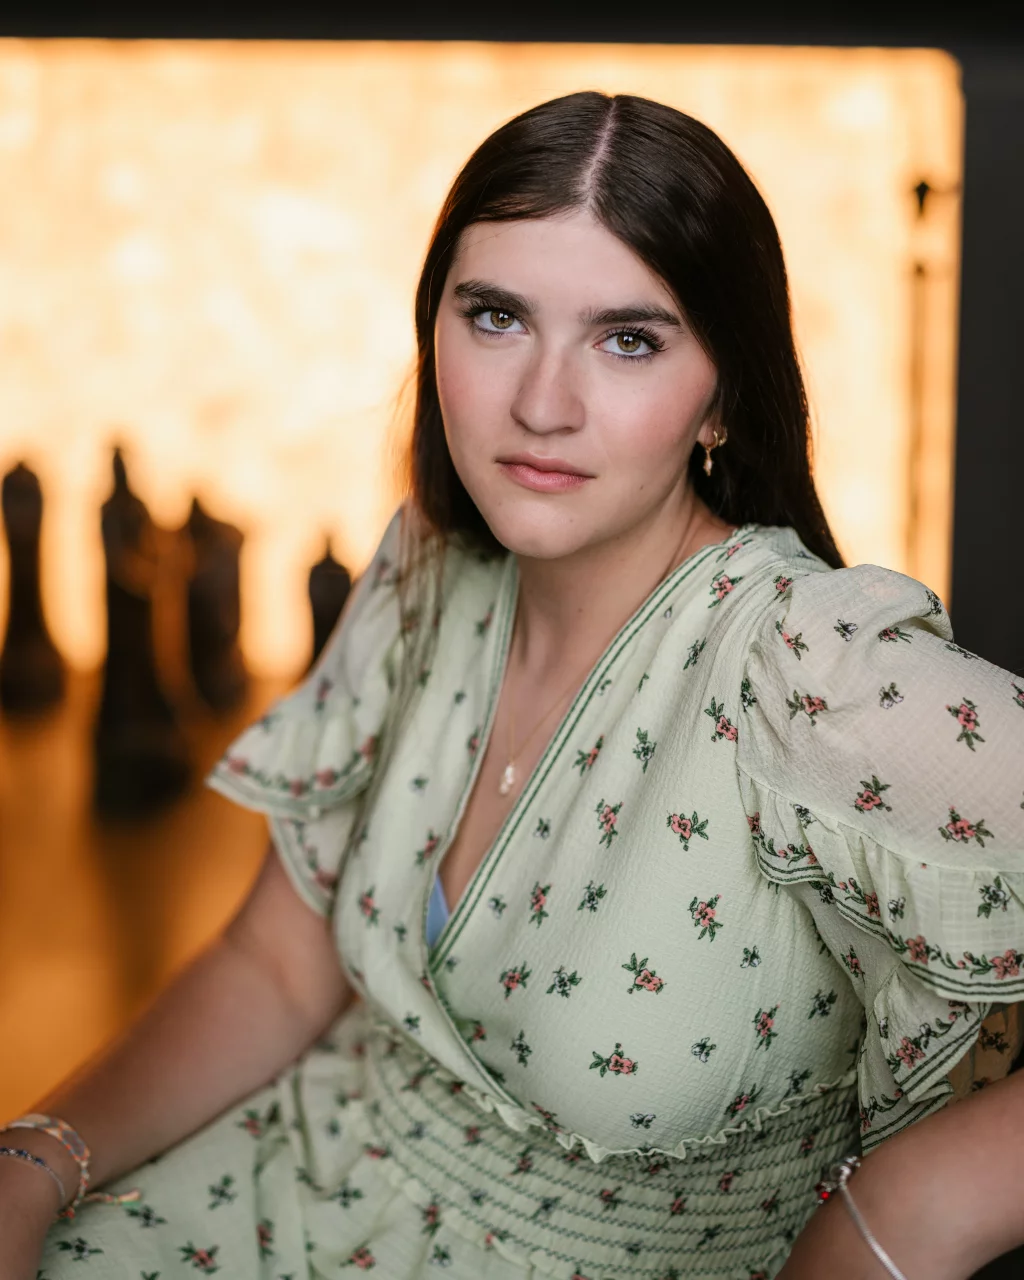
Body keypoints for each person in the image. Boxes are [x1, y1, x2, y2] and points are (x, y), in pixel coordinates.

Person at [2, 91, 1023, 1280]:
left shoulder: (811, 674)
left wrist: (921, 1201)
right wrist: (33, 1160)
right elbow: (277, 963)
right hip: (295, 1179)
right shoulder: (430, 565)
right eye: (494, 317)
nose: (541, 403)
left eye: (628, 338)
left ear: (725, 395)